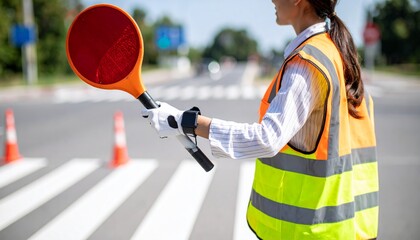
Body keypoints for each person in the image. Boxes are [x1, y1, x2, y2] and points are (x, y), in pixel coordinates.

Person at [142, 0, 379, 239]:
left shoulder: (308, 63)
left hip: (308, 231)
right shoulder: (336, 52)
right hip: (342, 227)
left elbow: (266, 139)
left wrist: (185, 121)